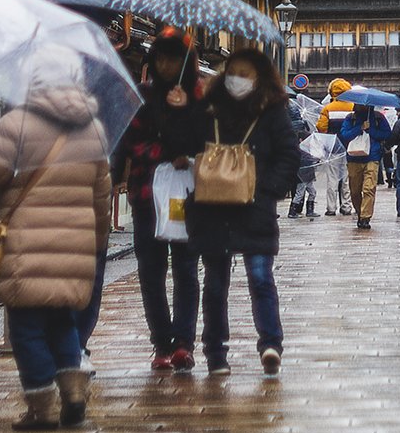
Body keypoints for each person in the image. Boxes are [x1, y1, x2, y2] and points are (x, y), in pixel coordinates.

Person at [0, 47, 112, 430]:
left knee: (26, 327)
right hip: (77, 247)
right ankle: (73, 392)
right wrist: (98, 243)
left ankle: (41, 407)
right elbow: (102, 195)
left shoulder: (17, 123)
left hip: (28, 246)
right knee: (63, 322)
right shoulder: (94, 128)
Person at [188, 49, 301, 376]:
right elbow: (186, 143)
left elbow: (288, 155)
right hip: (212, 207)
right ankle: (215, 353)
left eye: (246, 73)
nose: (238, 78)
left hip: (255, 208)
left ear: (260, 76)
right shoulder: (209, 108)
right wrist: (187, 109)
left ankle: (270, 344)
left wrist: (266, 188)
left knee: (261, 277)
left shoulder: (272, 110)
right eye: (233, 71)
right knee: (215, 282)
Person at [114, 30, 205, 371]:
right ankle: (161, 343)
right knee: (151, 272)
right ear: (153, 62)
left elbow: (206, 142)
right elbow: (132, 143)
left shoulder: (198, 98)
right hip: (146, 196)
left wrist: (186, 112)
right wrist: (168, 148)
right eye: (162, 58)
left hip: (186, 196)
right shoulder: (141, 96)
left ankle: (184, 343)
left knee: (186, 269)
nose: (168, 65)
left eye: (174, 58)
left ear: (185, 63)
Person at [338, 103, 392, 229]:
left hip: (372, 157)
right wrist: (359, 128)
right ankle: (360, 212)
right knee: (355, 190)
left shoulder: (378, 117)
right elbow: (344, 135)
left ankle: (365, 217)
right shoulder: (350, 118)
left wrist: (371, 131)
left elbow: (387, 134)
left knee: (369, 188)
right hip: (353, 158)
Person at [316, 79, 356, 215]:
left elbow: (321, 127)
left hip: (333, 148)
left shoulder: (328, 108)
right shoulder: (352, 107)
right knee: (346, 179)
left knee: (332, 179)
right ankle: (346, 207)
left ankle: (331, 208)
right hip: (350, 148)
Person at [286, 93, 319, 218]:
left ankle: (306, 210)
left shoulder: (290, 135)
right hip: (304, 168)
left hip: (303, 168)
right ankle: (293, 211)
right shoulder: (305, 136)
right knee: (301, 192)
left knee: (309, 191)